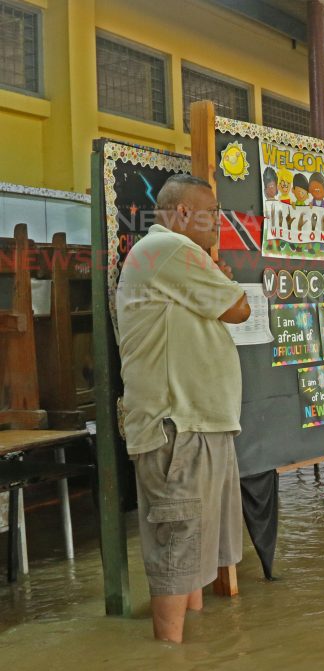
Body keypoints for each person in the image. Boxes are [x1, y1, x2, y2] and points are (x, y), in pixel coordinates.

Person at [116, 174, 251, 643]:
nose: (219, 224)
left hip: (196, 422)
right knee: (179, 548)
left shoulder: (169, 256)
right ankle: (167, 660)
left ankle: (191, 659)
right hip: (179, 424)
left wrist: (220, 283)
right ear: (183, 214)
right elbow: (238, 308)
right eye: (212, 214)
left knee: (192, 548)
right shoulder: (170, 248)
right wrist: (225, 285)